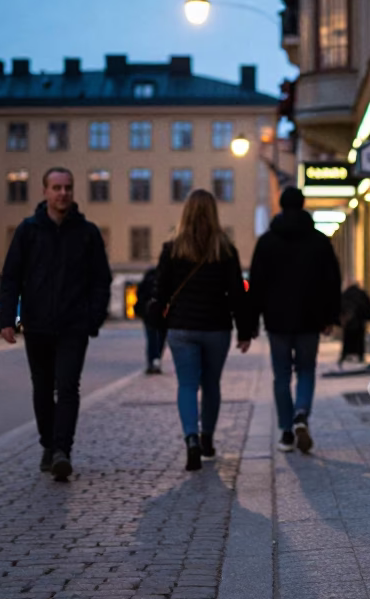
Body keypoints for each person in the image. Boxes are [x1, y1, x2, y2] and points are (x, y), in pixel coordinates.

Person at [0, 167, 112, 482]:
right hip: (37, 325)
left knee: (68, 387)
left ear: (73, 192)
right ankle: (48, 445)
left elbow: (101, 280)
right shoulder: (28, 230)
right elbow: (11, 277)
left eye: (67, 188)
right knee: (42, 388)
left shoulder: (87, 232)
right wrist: (7, 318)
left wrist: (93, 316)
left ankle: (62, 450)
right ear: (45, 192)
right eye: (56, 187)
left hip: (74, 326)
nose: (63, 193)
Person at [155, 189, 254, 471]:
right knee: (211, 385)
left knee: (187, 385)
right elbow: (237, 294)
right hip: (216, 328)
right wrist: (245, 331)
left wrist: (156, 319)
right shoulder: (225, 249)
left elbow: (159, 291)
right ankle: (207, 439)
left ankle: (191, 439)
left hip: (181, 327)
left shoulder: (171, 248)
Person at [248, 186, 342, 454]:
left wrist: (252, 320)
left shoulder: (266, 242)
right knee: (306, 370)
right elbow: (331, 281)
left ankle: (286, 432)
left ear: (280, 205)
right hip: (310, 319)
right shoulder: (319, 241)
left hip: (277, 320)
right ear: (303, 205)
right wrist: (330, 316)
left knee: (281, 375)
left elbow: (256, 284)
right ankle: (301, 413)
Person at [134, 267, 165, 374]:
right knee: (159, 339)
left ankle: (152, 362)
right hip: (161, 316)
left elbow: (139, 295)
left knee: (151, 339)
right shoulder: (162, 281)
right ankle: (156, 360)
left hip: (149, 316)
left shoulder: (146, 281)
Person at [338, 281, 370, 366]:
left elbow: (340, 306)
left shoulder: (346, 294)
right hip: (359, 321)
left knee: (347, 339)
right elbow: (367, 307)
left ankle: (345, 355)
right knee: (360, 339)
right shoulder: (361, 294)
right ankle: (360, 355)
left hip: (349, 322)